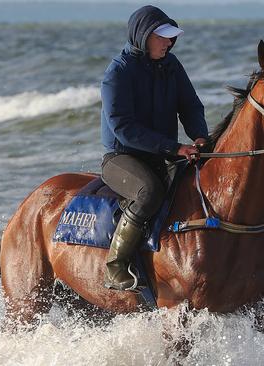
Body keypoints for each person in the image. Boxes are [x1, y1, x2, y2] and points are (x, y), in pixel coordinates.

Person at [100, 5, 209, 291]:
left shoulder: (172, 66)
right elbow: (123, 128)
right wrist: (175, 148)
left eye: (171, 37)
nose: (168, 43)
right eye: (162, 37)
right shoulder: (118, 73)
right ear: (142, 36)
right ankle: (115, 267)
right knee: (150, 191)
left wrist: (199, 137)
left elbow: (190, 105)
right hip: (122, 158)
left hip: (164, 154)